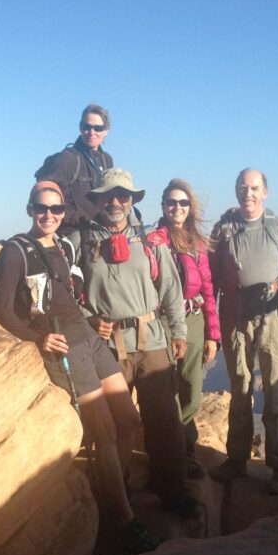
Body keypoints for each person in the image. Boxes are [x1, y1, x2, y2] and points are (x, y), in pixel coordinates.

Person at [0, 180, 158, 554]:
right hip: (64, 345)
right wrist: (36, 338)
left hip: (89, 337)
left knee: (128, 421)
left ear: (63, 212)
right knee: (104, 430)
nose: (48, 215)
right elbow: (2, 308)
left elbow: (73, 294)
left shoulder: (63, 247)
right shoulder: (16, 251)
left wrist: (94, 319)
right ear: (30, 209)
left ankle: (118, 486)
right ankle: (124, 520)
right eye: (41, 208)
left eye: (55, 209)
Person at [73, 167, 202, 518]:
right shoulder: (81, 242)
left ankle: (172, 491)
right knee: (115, 426)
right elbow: (67, 290)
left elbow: (171, 291)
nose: (115, 202)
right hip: (108, 346)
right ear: (98, 200)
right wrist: (88, 318)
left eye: (123, 196)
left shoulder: (149, 242)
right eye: (108, 196)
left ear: (131, 201)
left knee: (163, 420)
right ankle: (118, 492)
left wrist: (178, 333)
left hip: (152, 341)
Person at [208, 168, 278, 495]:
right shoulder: (224, 229)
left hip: (272, 317)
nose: (247, 193)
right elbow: (210, 274)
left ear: (265, 192)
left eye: (254, 188)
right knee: (240, 387)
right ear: (236, 191)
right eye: (242, 187)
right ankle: (237, 459)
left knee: (276, 390)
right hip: (235, 316)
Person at [147, 179, 220, 479]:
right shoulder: (154, 240)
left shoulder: (197, 243)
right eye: (171, 202)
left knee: (192, 387)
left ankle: (185, 450)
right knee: (167, 389)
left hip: (194, 319)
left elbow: (208, 288)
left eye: (182, 203)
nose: (177, 208)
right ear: (163, 205)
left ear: (190, 207)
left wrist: (213, 334)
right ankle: (169, 456)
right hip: (163, 320)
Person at [36, 103, 115, 230]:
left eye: (98, 128)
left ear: (106, 130)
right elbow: (46, 197)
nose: (91, 132)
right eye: (86, 127)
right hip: (73, 234)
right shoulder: (68, 159)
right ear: (80, 127)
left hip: (100, 231)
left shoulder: (106, 160)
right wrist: (78, 218)